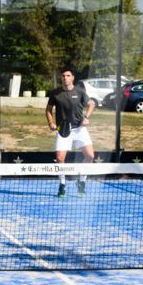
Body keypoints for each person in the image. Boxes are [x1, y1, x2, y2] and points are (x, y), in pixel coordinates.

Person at [45, 68, 96, 197]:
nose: (65, 78)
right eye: (63, 75)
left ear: (72, 78)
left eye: (68, 75)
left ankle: (81, 182)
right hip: (63, 130)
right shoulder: (55, 93)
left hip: (80, 129)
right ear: (61, 78)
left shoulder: (80, 91)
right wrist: (51, 123)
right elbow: (48, 110)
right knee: (60, 158)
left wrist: (87, 118)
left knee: (90, 156)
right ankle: (62, 184)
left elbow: (91, 104)